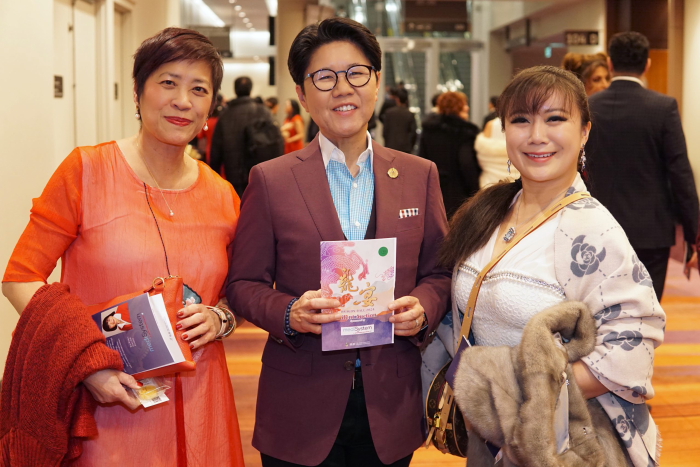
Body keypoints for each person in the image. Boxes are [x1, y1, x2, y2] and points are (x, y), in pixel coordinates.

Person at [2, 28, 245, 466]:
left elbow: (239, 292)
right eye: (168, 83)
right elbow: (20, 277)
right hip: (109, 401)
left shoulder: (224, 195)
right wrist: (87, 362)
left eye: (199, 89)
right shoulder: (87, 171)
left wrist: (221, 318)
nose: (183, 101)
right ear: (137, 92)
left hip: (203, 403)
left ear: (211, 105)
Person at [226, 17, 451, 467]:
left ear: (377, 82)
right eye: (324, 77)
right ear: (301, 93)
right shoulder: (271, 180)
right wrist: (290, 312)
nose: (343, 88)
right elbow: (243, 284)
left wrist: (424, 307)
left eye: (356, 73)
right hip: (300, 403)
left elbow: (440, 272)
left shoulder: (418, 174)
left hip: (390, 400)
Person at [424, 65, 665, 467]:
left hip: (565, 443)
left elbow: (633, 347)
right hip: (494, 438)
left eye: (555, 119)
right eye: (521, 120)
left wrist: (522, 396)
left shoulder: (592, 229)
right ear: (503, 129)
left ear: (584, 132)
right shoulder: (490, 208)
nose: (536, 135)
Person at [585, 31, 699, 300]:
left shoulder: (589, 107)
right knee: (647, 306)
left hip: (597, 226)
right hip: (652, 230)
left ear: (610, 64)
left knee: (600, 305)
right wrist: (693, 235)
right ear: (647, 64)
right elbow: (680, 173)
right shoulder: (663, 107)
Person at [210, 75, 279, 194]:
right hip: (260, 173)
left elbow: (216, 151)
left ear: (235, 90)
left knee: (238, 204)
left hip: (233, 174)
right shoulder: (263, 111)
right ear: (250, 89)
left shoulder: (226, 116)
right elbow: (275, 142)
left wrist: (213, 176)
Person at [418, 91, 480, 218]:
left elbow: (421, 158)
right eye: (464, 104)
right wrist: (476, 190)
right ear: (457, 107)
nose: (467, 107)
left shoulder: (429, 129)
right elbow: (466, 162)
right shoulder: (464, 132)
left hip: (433, 188)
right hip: (458, 190)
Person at [474, 113, 520, 188]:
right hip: (519, 185)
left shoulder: (491, 125)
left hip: (490, 185)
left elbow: (482, 156)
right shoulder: (526, 126)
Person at [381, 87, 417, 153]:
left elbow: (385, 132)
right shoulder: (410, 114)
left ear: (397, 99)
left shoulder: (389, 113)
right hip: (405, 148)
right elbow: (413, 133)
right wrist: (410, 146)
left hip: (390, 147)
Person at [196, 93, 225, 167]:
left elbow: (200, 136)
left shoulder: (208, 122)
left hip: (210, 152)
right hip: (224, 153)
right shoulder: (225, 121)